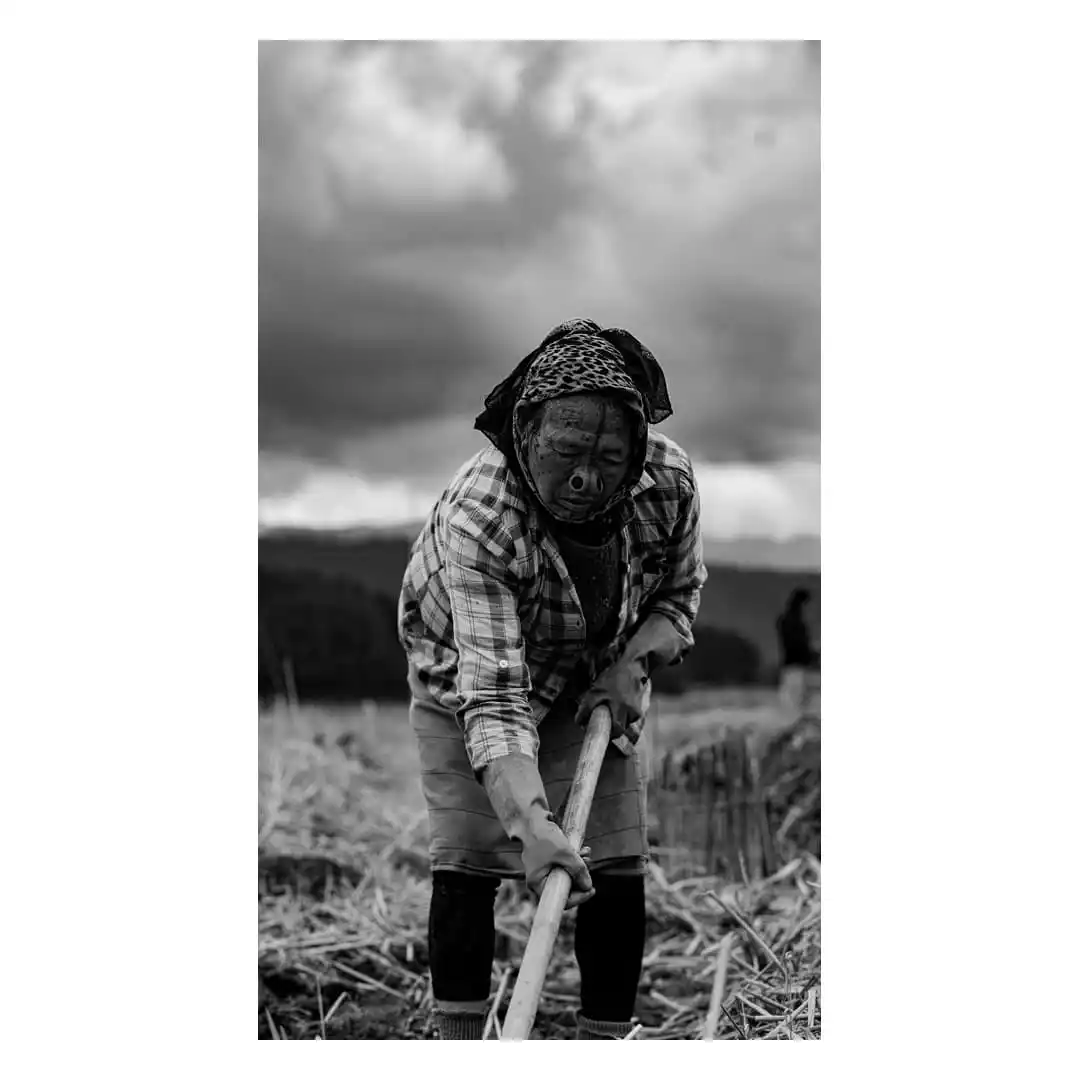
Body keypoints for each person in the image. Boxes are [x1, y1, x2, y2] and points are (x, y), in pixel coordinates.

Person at [398, 318, 707, 1040]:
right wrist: (531, 823)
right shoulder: (483, 515)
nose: (584, 478)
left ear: (636, 451)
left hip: (594, 670)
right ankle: (461, 1044)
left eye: (608, 458)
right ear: (526, 432)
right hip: (467, 676)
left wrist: (634, 664)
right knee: (468, 856)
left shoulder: (667, 483)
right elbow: (494, 695)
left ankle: (605, 1040)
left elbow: (679, 592)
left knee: (617, 858)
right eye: (565, 451)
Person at [776, 588, 818, 720]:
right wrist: (811, 655)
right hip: (796, 668)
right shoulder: (795, 623)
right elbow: (798, 645)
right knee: (795, 704)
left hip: (792, 667)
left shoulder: (787, 620)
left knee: (792, 704)